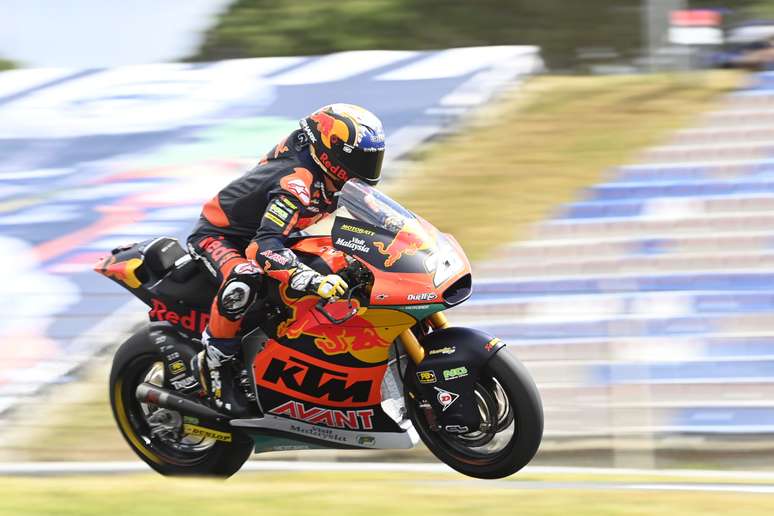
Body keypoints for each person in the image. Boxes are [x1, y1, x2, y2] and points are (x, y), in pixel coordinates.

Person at [186, 103, 386, 415]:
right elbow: (264, 248)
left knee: (340, 254)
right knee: (245, 276)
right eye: (359, 158)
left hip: (274, 235)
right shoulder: (296, 182)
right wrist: (310, 279)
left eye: (372, 159)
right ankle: (214, 364)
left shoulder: (337, 176)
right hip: (222, 237)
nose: (367, 167)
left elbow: (378, 217)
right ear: (331, 152)